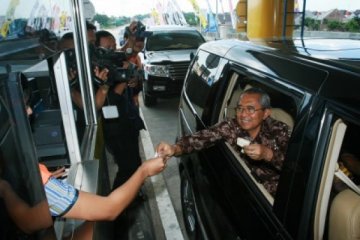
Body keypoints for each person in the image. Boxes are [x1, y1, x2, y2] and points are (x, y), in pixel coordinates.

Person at [156, 87, 292, 197]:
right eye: (240, 108)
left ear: (266, 112)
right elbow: (200, 138)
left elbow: (295, 168)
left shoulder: (279, 130)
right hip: (243, 190)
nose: (243, 114)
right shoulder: (231, 127)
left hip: (274, 196)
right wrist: (174, 149)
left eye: (250, 109)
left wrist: (268, 154)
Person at [95, 30, 145, 190]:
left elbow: (135, 89)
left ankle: (132, 195)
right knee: (128, 167)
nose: (113, 51)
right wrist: (124, 80)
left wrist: (133, 80)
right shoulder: (96, 72)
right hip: (114, 128)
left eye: (114, 46)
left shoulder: (117, 64)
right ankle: (118, 204)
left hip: (128, 122)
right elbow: (109, 100)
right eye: (108, 48)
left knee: (135, 164)